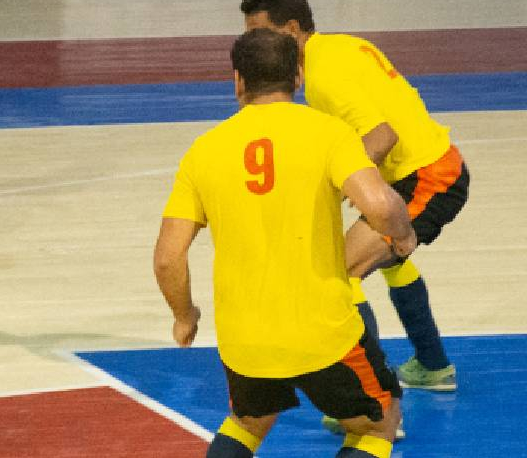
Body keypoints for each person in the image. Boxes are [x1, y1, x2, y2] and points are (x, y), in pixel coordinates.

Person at [154, 28, 416, 458]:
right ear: (297, 76)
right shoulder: (329, 133)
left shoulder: (203, 151)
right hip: (324, 334)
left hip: (245, 341)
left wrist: (185, 315)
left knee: (248, 422)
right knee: (378, 425)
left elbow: (168, 258)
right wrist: (402, 236)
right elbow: (382, 207)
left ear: (237, 80)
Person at [240, 0, 468, 395]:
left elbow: (382, 136)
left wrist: (336, 183)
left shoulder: (322, 75)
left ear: (291, 30)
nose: (249, 43)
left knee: (341, 274)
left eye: (258, 33)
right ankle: (433, 366)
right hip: (421, 170)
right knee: (390, 258)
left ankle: (375, 399)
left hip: (431, 177)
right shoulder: (340, 47)